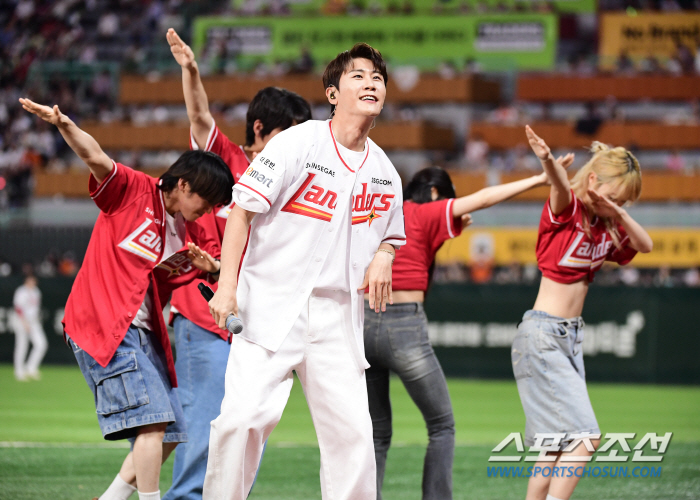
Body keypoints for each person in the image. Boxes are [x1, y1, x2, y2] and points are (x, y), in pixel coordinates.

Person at [204, 43, 406, 500]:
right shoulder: (297, 143)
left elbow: (392, 233)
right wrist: (227, 286)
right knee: (241, 422)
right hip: (270, 304)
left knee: (354, 438)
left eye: (377, 77)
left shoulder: (385, 172)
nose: (371, 82)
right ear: (332, 94)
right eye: (358, 76)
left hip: (337, 316)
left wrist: (385, 255)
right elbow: (241, 211)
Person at [19, 97, 234, 500]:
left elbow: (212, 280)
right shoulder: (132, 190)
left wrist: (212, 270)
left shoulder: (191, 233)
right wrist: (64, 123)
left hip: (146, 338)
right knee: (153, 426)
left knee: (171, 432)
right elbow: (95, 155)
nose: (208, 209)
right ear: (183, 184)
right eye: (206, 199)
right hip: (106, 327)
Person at [365, 159, 573, 500]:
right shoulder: (425, 211)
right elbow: (486, 197)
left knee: (376, 433)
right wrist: (538, 178)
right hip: (403, 325)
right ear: (435, 192)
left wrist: (454, 222)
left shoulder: (386, 210)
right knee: (442, 426)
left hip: (363, 321)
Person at [164, 28, 313, 500]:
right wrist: (191, 70)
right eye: (293, 130)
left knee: (249, 429)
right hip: (202, 315)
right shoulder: (228, 164)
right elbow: (200, 115)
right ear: (260, 130)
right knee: (206, 424)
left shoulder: (299, 185)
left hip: (257, 326)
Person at [511, 125, 653, 500]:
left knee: (552, 450)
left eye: (624, 201)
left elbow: (646, 245)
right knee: (587, 439)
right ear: (592, 180)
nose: (615, 203)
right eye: (613, 195)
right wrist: (546, 160)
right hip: (542, 335)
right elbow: (559, 186)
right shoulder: (568, 211)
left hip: (569, 339)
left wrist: (617, 213)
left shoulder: (608, 227)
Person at [11, 274, 48, 381]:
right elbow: (18, 308)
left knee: (41, 344)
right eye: (30, 280)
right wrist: (24, 323)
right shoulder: (21, 291)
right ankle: (19, 371)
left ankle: (31, 368)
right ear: (26, 281)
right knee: (22, 346)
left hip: (33, 321)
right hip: (21, 320)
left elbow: (35, 308)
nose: (33, 282)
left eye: (34, 280)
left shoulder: (36, 291)